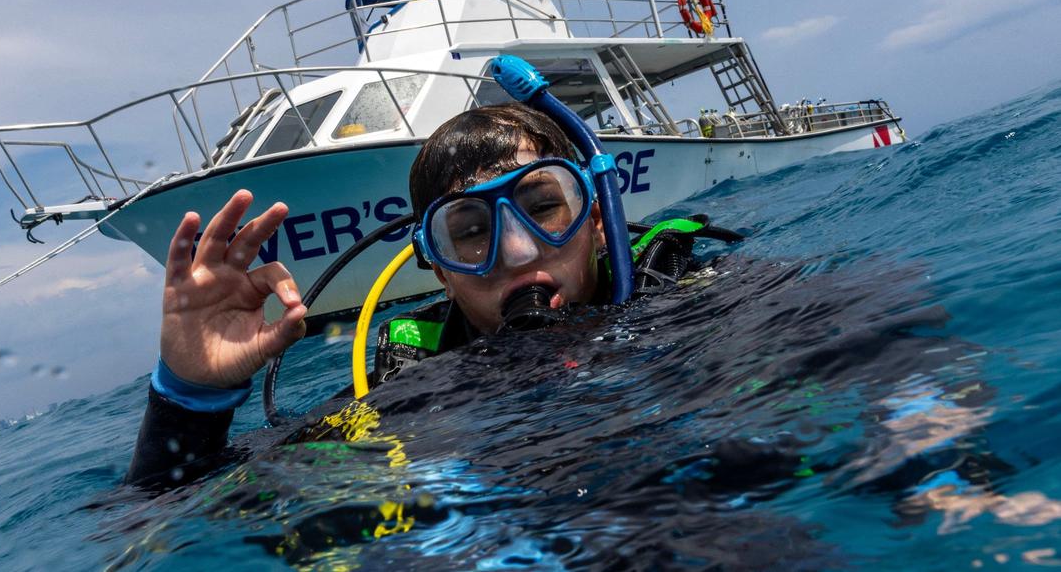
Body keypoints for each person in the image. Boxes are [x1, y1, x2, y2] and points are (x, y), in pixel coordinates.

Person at [126, 104, 731, 489]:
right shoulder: (415, 376)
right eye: (469, 233)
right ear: (438, 268)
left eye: (544, 206)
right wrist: (189, 398)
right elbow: (178, 509)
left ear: (596, 220)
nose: (517, 252)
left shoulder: (691, 294)